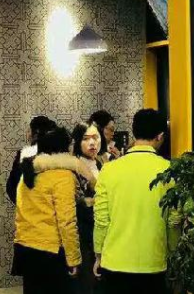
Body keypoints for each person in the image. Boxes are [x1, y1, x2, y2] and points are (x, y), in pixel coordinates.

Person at [93, 109, 172, 294]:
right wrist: (172, 251)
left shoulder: (109, 170)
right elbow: (173, 221)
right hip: (153, 262)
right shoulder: (169, 170)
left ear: (134, 132)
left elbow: (101, 220)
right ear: (160, 136)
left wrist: (98, 254)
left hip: (114, 262)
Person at [13, 127, 81, 294]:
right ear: (63, 149)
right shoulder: (62, 176)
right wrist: (73, 258)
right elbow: (67, 221)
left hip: (25, 246)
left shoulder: (28, 172)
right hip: (50, 250)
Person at [71, 123, 103, 294]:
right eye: (86, 139)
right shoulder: (74, 167)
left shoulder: (102, 163)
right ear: (77, 142)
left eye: (95, 137)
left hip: (102, 231)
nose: (92, 143)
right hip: (83, 234)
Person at [6, 115, 56, 204]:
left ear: (35, 134)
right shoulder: (58, 156)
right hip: (51, 209)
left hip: (27, 208)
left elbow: (12, 186)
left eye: (29, 130)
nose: (27, 134)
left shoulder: (24, 155)